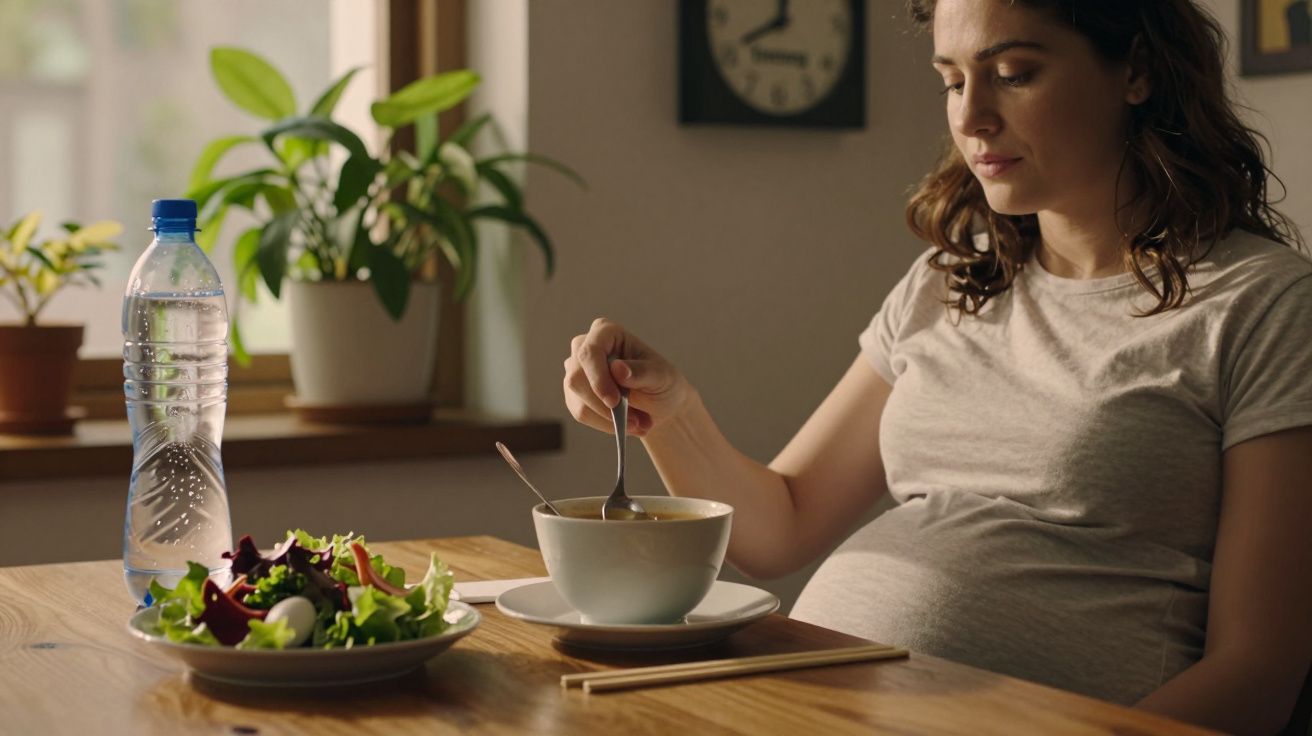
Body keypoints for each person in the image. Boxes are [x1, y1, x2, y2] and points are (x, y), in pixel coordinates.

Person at [563, 1, 1312, 732]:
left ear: (1138, 70)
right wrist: (671, 409)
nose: (972, 117)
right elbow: (778, 529)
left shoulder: (1263, 303)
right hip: (794, 706)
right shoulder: (948, 280)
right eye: (953, 81)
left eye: (1014, 73)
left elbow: (1258, 672)